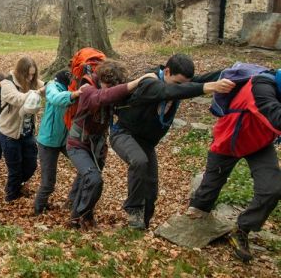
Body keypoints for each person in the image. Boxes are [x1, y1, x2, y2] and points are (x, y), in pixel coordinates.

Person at [110, 54, 235, 230]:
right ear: (166, 71)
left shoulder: (177, 81)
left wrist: (234, 72)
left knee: (151, 189)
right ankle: (134, 210)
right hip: (123, 133)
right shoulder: (149, 82)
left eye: (185, 84)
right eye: (178, 83)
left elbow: (194, 82)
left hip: (146, 142)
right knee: (139, 161)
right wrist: (208, 88)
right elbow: (168, 92)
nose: (181, 88)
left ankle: (141, 227)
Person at [187, 69, 281, 262]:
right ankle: (194, 220)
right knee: (207, 192)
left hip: (259, 143)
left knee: (272, 188)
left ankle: (242, 229)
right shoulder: (261, 87)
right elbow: (276, 117)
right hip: (229, 140)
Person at [67, 62, 157, 229]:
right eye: (108, 86)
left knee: (89, 180)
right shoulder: (87, 89)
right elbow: (102, 97)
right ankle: (76, 218)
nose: (109, 89)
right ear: (101, 79)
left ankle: (85, 216)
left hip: (98, 145)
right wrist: (135, 82)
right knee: (93, 179)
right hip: (78, 144)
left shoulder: (110, 89)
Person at [34, 70, 82, 215]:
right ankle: (38, 210)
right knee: (48, 183)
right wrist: (73, 95)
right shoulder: (53, 87)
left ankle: (72, 201)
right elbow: (56, 98)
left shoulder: (70, 88)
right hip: (47, 142)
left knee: (85, 168)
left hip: (65, 140)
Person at [0, 56, 45, 202]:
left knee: (31, 165)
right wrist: (35, 93)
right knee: (15, 169)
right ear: (20, 72)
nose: (31, 78)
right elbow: (17, 98)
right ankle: (11, 197)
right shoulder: (7, 83)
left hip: (27, 132)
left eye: (33, 74)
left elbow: (48, 87)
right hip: (9, 134)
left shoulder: (33, 81)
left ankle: (16, 186)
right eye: (28, 74)